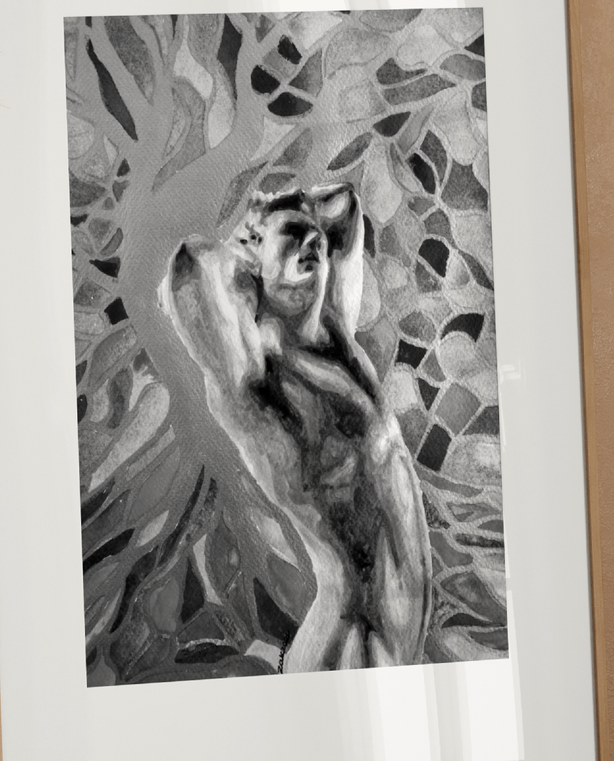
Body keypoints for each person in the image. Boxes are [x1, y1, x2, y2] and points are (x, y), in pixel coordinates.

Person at [161, 181, 433, 672]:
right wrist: (252, 234)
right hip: (348, 644)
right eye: (293, 236)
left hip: (398, 636)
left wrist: (289, 214)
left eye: (314, 238)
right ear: (249, 262)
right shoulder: (255, 379)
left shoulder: (337, 335)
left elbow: (346, 207)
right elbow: (190, 266)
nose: (311, 243)